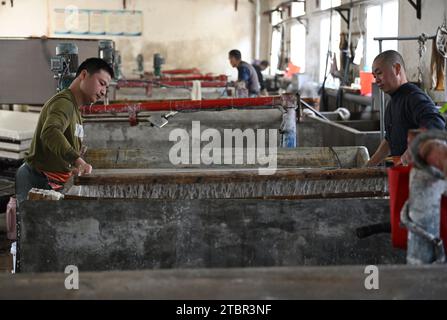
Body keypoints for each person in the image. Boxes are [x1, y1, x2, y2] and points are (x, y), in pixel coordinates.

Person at [15, 58, 114, 208]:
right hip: (37, 181)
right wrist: (78, 161)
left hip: (50, 181)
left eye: (106, 87)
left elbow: (57, 146)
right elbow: (50, 132)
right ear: (84, 75)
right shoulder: (64, 103)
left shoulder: (75, 110)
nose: (103, 92)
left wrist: (70, 167)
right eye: (101, 83)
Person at [367, 50, 446, 166]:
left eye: (379, 73)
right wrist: (369, 165)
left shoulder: (414, 97)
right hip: (402, 172)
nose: (377, 80)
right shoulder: (392, 103)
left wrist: (411, 152)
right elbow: (389, 141)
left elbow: (436, 123)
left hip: (420, 174)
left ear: (397, 69)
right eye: (374, 76)